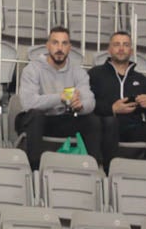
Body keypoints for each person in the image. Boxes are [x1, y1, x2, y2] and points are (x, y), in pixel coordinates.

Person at [15, 27, 99, 170]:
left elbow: (90, 101)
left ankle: (94, 168)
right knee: (36, 115)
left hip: (61, 120)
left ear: (69, 47)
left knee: (92, 120)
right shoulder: (32, 69)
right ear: (48, 45)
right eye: (55, 43)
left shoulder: (78, 72)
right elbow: (29, 103)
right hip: (34, 120)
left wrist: (80, 105)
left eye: (64, 43)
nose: (59, 48)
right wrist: (61, 97)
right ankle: (34, 169)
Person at [88, 30, 146, 166]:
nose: (121, 48)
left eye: (126, 45)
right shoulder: (95, 74)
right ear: (109, 50)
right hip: (106, 127)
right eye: (117, 44)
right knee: (111, 122)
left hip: (133, 129)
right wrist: (112, 109)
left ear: (132, 50)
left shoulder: (141, 79)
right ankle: (109, 172)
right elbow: (87, 105)